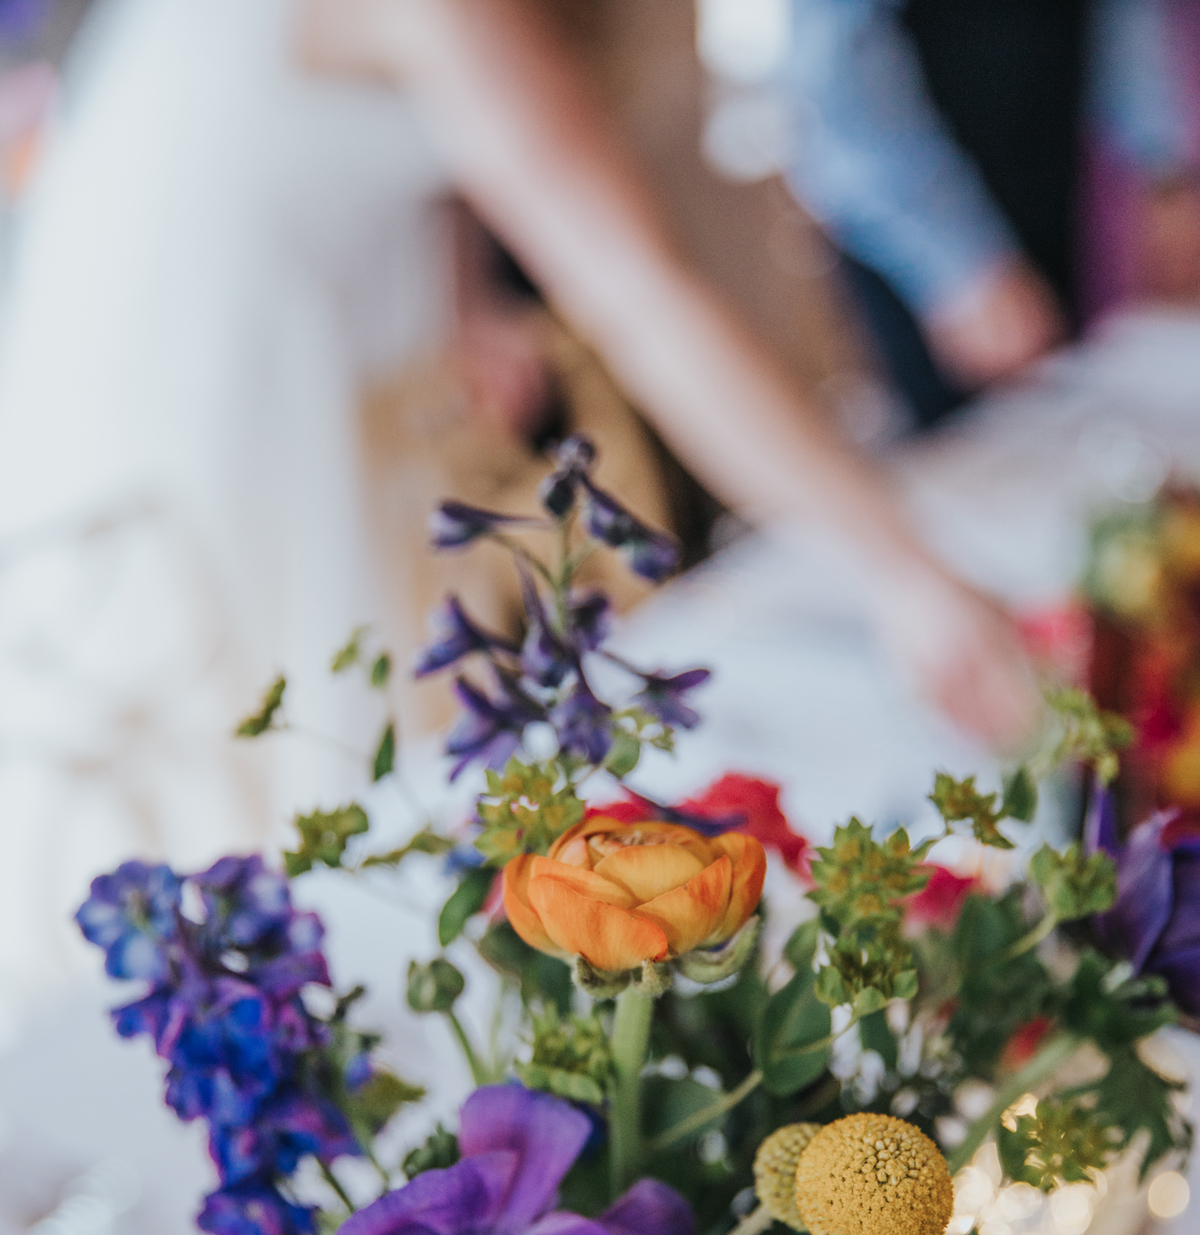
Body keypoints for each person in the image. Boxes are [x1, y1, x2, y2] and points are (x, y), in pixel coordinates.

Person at [297, 0, 1040, 752]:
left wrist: (464, 293)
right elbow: (634, 294)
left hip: (362, 376)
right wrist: (904, 573)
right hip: (285, 407)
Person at [783, 0, 1200, 424]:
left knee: (1069, 414)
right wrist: (958, 267)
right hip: (919, 228)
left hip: (1045, 160)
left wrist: (1162, 170)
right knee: (971, 444)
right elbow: (836, 73)